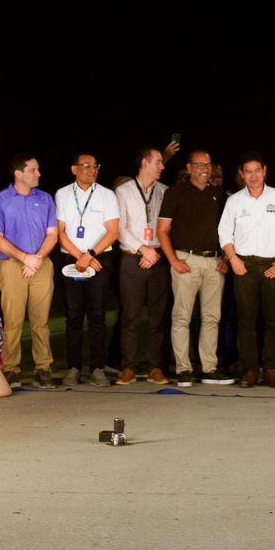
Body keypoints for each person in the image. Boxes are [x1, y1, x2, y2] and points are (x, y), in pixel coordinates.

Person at [218, 153, 275, 387]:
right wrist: (233, 259)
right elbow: (224, 233)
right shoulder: (235, 201)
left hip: (273, 264)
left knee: (273, 320)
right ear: (242, 174)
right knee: (246, 321)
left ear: (265, 171)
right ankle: (250, 369)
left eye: (257, 171)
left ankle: (271, 369)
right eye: (248, 171)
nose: (253, 176)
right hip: (244, 265)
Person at [158, 149, 232, 387]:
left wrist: (226, 259)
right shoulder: (175, 193)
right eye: (199, 165)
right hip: (185, 260)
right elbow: (162, 230)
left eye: (207, 165)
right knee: (182, 317)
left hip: (213, 262)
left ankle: (208, 367)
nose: (204, 169)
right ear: (189, 168)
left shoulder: (218, 195)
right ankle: (183, 369)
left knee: (212, 317)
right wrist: (173, 260)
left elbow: (229, 231)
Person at [0, 154, 59, 389]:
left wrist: (36, 258)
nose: (38, 174)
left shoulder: (46, 199)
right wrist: (24, 258)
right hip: (12, 266)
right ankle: (11, 369)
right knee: (13, 320)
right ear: (19, 174)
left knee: (41, 320)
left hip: (41, 263)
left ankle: (43, 367)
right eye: (33, 170)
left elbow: (52, 234)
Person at [54, 152, 120, 387]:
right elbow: (60, 232)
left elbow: (113, 231)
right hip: (71, 260)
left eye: (95, 166)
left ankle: (97, 368)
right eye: (86, 166)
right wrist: (80, 257)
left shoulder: (106, 195)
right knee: (73, 316)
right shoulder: (62, 194)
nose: (92, 170)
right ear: (74, 169)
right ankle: (73, 367)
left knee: (97, 316)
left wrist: (90, 255)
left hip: (100, 260)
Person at [115, 147, 171, 385]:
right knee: (131, 315)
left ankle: (155, 366)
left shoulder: (165, 191)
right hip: (132, 257)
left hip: (158, 258)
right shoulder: (123, 191)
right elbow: (119, 227)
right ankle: (128, 366)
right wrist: (142, 249)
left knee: (158, 317)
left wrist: (153, 252)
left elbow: (168, 227)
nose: (162, 166)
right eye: (158, 162)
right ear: (145, 163)